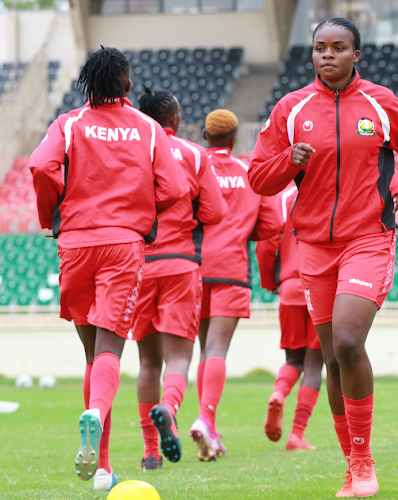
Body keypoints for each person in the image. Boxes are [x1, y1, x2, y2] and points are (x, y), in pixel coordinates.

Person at [248, 17, 398, 497]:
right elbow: (258, 178)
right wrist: (290, 160)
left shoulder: (381, 102)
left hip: (369, 238)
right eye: (319, 48)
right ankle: (351, 464)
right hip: (313, 246)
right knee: (331, 357)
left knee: (348, 342)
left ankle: (365, 461)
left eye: (338, 47)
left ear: (357, 54)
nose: (327, 55)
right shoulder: (291, 109)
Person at [29, 47, 187, 490]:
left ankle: (102, 467)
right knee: (110, 353)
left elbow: (41, 165)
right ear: (126, 84)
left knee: (91, 355)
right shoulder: (148, 128)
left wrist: (52, 216)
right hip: (122, 245)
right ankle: (96, 416)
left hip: (75, 244)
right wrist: (143, 210)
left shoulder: (69, 124)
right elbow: (175, 187)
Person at [132, 87, 228, 471]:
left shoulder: (132, 148)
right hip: (181, 264)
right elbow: (215, 212)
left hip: (137, 265)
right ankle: (168, 408)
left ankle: (150, 453)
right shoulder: (192, 153)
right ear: (173, 120)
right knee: (178, 356)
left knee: (147, 363)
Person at [190, 109, 281, 461]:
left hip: (194, 266)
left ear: (205, 137)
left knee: (202, 349)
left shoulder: (195, 166)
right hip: (231, 267)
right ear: (233, 139)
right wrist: (243, 230)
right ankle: (206, 419)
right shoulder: (248, 174)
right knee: (217, 350)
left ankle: (206, 423)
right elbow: (271, 224)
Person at [256, 183, 325, 450]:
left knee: (294, 359)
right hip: (319, 285)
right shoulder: (328, 186)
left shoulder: (281, 197)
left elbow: (265, 244)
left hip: (289, 287)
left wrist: (269, 281)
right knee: (313, 365)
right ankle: (297, 434)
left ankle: (279, 392)